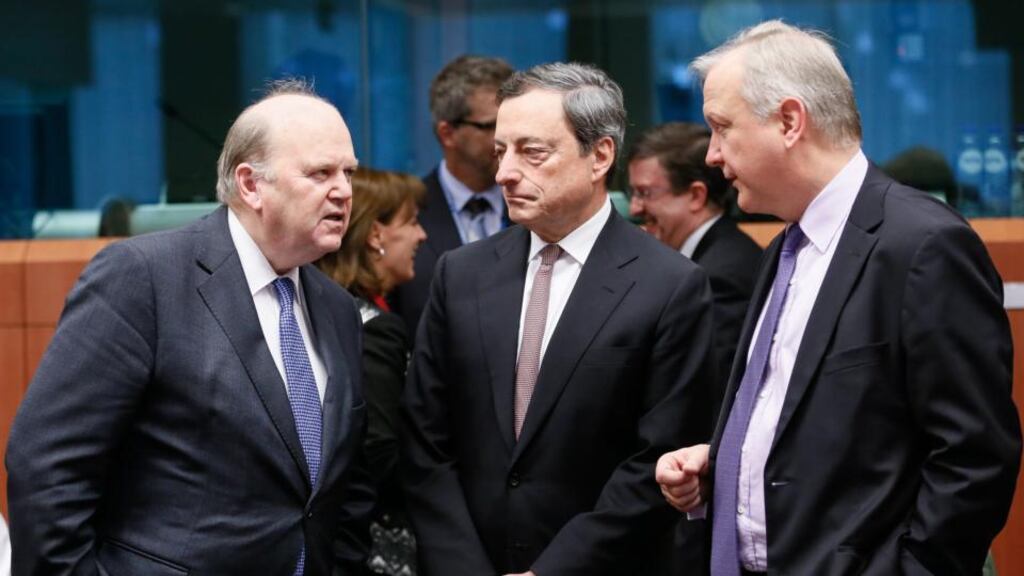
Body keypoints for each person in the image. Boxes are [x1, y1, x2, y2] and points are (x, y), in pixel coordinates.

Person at [655, 20, 1021, 575]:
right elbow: (820, 424)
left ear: (789, 121)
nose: (711, 154)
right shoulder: (784, 248)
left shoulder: (921, 245)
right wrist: (725, 466)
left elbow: (974, 458)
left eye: (721, 127)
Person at [6, 80, 375, 575]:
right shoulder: (144, 278)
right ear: (250, 185)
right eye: (320, 173)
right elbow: (47, 467)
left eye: (349, 173)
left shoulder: (336, 309)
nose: (344, 192)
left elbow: (338, 491)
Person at [402, 62, 717, 576]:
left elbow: (658, 457)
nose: (504, 172)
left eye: (532, 152)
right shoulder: (459, 274)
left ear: (600, 156)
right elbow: (426, 445)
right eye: (501, 150)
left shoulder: (671, 285)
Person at [315, 168, 427, 575]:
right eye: (411, 222)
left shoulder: (322, 310)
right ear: (376, 235)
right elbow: (378, 452)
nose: (422, 236)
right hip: (375, 547)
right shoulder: (374, 329)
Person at [628, 122, 763, 413]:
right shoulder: (710, 256)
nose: (634, 209)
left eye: (645, 193)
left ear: (696, 195)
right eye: (633, 194)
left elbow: (706, 393)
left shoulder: (719, 275)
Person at [390, 55, 514, 335]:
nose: (507, 138)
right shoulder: (403, 214)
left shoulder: (538, 210)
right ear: (447, 133)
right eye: (491, 126)